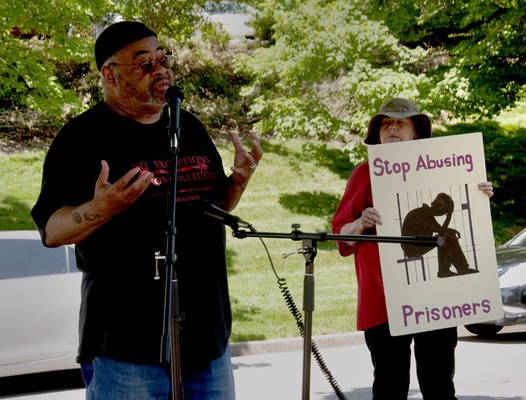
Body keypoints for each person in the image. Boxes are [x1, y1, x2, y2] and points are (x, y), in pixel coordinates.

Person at [31, 21, 262, 400]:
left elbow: (213, 207)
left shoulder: (187, 125)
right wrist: (102, 208)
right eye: (145, 64)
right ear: (110, 75)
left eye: (162, 59)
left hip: (206, 336)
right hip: (125, 345)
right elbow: (53, 232)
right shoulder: (80, 138)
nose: (161, 71)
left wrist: (236, 183)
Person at [331, 98, 493, 400]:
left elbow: (465, 213)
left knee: (439, 385)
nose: (391, 127)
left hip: (434, 297)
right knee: (390, 387)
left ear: (416, 132)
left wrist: (479, 193)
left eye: (400, 122)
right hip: (383, 301)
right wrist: (360, 223)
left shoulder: (446, 168)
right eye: (385, 123)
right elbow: (341, 237)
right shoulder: (364, 174)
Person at [401, 192, 478, 278]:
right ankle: (445, 270)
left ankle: (462, 268)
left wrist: (449, 215)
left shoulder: (428, 214)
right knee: (443, 237)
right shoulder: (422, 213)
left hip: (419, 243)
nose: (439, 210)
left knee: (447, 235)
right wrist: (449, 216)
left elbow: (442, 230)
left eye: (442, 208)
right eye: (439, 206)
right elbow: (440, 230)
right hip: (412, 247)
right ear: (433, 203)